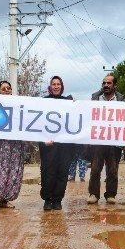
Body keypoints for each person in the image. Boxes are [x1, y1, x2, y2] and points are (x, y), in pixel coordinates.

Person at [0, 80, 25, 210]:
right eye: (3, 89)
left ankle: (5, 199)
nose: (7, 90)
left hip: (14, 144)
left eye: (9, 88)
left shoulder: (18, 104)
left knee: (11, 170)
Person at [88, 74, 125, 205]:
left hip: (115, 141)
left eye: (109, 83)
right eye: (104, 83)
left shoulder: (121, 100)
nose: (106, 85)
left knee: (113, 170)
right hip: (98, 140)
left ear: (115, 85)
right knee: (95, 169)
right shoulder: (95, 98)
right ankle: (93, 194)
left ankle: (111, 195)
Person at [39, 76, 75, 211]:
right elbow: (38, 123)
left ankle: (57, 199)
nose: (55, 86)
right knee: (48, 172)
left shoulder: (68, 102)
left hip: (65, 146)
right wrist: (43, 139)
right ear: (50, 86)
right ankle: (47, 199)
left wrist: (77, 105)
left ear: (62, 86)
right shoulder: (43, 102)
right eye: (53, 84)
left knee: (62, 172)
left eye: (58, 84)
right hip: (48, 145)